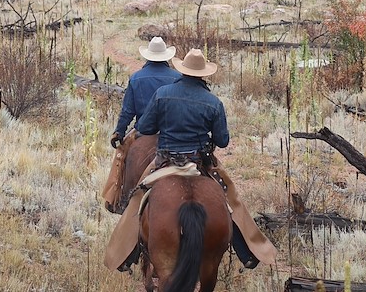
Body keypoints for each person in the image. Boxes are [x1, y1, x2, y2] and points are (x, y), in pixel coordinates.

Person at [104, 48, 278, 272]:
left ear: (182, 70)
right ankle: (247, 251)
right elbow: (223, 140)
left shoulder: (163, 94)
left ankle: (127, 255)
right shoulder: (213, 102)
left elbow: (145, 127)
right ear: (203, 74)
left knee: (138, 197)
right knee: (230, 199)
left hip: (164, 160)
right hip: (199, 161)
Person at [101, 36, 181, 213]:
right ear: (166, 57)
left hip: (143, 131)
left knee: (121, 157)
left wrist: (119, 132)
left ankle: (118, 199)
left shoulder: (137, 78)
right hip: (174, 131)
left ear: (148, 56)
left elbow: (128, 111)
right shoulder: (178, 78)